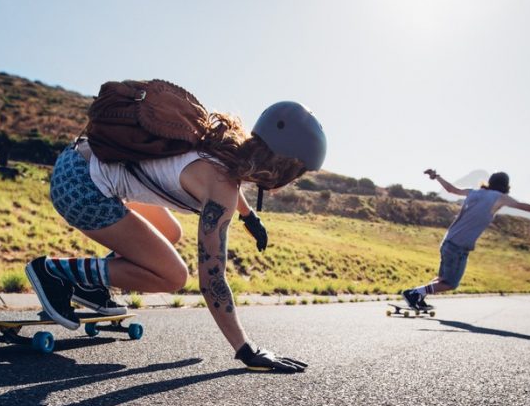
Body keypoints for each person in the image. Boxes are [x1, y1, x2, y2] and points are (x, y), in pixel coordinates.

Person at [25, 100, 326, 373]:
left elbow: (229, 175)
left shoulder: (226, 142)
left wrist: (248, 216)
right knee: (173, 276)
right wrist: (247, 349)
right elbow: (213, 279)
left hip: (79, 160)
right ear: (286, 166)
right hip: (80, 189)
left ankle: (91, 285)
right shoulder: (221, 190)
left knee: (171, 231)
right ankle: (55, 272)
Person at [401, 170, 530, 310]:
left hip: (449, 241)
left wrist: (437, 176)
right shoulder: (501, 198)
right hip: (458, 246)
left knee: (442, 279)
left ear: (490, 182)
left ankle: (418, 295)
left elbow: (451, 189)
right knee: (450, 284)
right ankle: (414, 293)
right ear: (506, 186)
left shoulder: (474, 192)